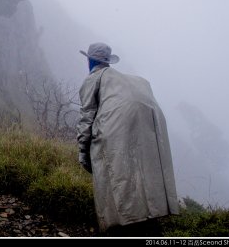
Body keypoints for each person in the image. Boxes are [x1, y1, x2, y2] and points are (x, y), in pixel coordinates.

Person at [75, 42, 179, 235]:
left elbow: (87, 115)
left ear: (90, 60)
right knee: (142, 173)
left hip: (115, 125)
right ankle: (149, 222)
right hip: (148, 124)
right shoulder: (133, 81)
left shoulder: (94, 78)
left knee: (113, 174)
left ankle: (120, 227)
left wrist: (83, 150)